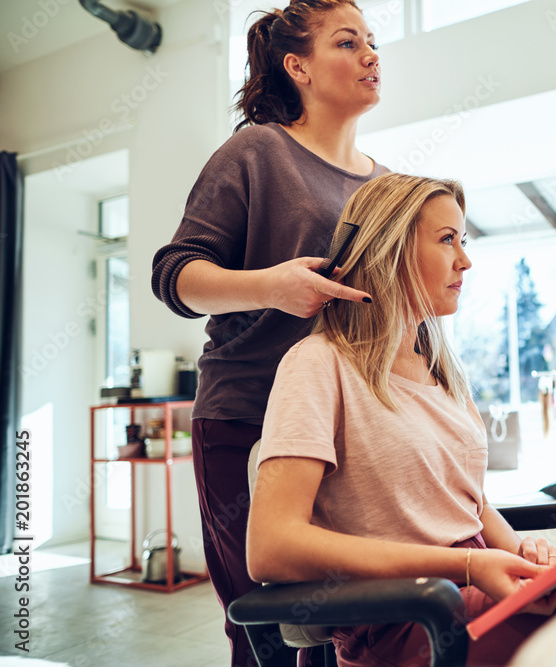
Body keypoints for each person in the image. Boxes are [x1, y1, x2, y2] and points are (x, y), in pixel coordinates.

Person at [248, 173, 556, 667]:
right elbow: (270, 547)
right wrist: (469, 564)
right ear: (389, 250)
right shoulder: (319, 364)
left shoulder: (443, 376)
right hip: (409, 618)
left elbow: (471, 505)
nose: (465, 260)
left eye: (462, 241)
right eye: (447, 240)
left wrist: (523, 559)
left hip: (464, 593)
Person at [150, 2, 387, 664]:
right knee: (267, 630)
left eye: (373, 42)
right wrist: (272, 286)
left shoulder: (387, 186)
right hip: (247, 417)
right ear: (298, 66)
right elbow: (174, 275)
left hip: (343, 434)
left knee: (337, 627)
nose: (372, 54)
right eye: (349, 42)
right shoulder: (258, 150)